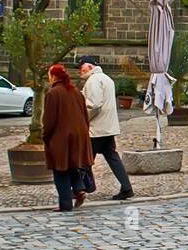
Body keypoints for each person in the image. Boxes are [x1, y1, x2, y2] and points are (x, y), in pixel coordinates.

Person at [79, 59, 134, 201]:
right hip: (107, 127)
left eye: (82, 67)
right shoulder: (107, 79)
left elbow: (94, 105)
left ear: (90, 66)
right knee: (112, 157)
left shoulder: (93, 81)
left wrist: (84, 118)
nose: (80, 70)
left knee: (84, 159)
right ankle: (127, 187)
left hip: (96, 128)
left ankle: (78, 188)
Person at [42, 63, 93, 212]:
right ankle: (79, 189)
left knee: (60, 169)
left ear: (53, 76)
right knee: (71, 164)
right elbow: (85, 114)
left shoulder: (53, 94)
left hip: (62, 137)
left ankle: (65, 204)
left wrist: (45, 136)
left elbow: (49, 120)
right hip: (79, 134)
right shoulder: (76, 91)